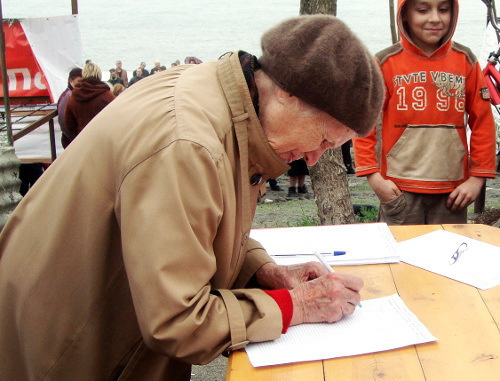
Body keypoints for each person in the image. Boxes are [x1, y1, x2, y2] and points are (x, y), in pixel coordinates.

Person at [0, 15, 384, 380]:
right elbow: (177, 321)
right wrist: (296, 306)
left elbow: (197, 226)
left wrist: (263, 272)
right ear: (288, 91)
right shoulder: (188, 143)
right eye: (322, 138)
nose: (316, 157)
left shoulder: (218, 93)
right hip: (64, 352)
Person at [353, 0, 497, 225]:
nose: (435, 18)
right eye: (422, 10)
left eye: (443, 9)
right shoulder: (385, 63)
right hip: (399, 190)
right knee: (401, 257)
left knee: (448, 256)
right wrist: (373, 177)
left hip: (452, 192)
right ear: (405, 14)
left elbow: (483, 122)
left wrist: (477, 178)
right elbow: (364, 122)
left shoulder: (465, 60)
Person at [64, 62, 115, 145]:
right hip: (103, 141)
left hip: (83, 140)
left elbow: (69, 124)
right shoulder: (107, 96)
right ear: (99, 75)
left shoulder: (73, 96)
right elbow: (116, 119)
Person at [57, 67, 82, 148]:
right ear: (71, 81)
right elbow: (64, 121)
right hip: (71, 140)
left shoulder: (67, 94)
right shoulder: (68, 96)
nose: (81, 84)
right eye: (79, 81)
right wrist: (75, 138)